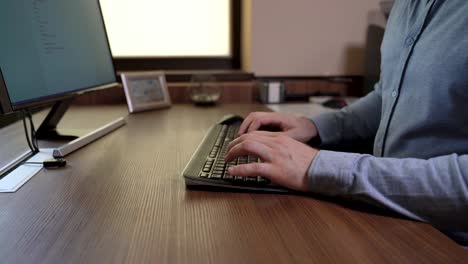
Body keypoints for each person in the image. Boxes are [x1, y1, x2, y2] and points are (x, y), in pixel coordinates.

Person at [225, 0, 468, 246]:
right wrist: (315, 126)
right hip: (391, 219)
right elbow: (387, 95)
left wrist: (320, 167)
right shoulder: (404, 6)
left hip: (448, 242)